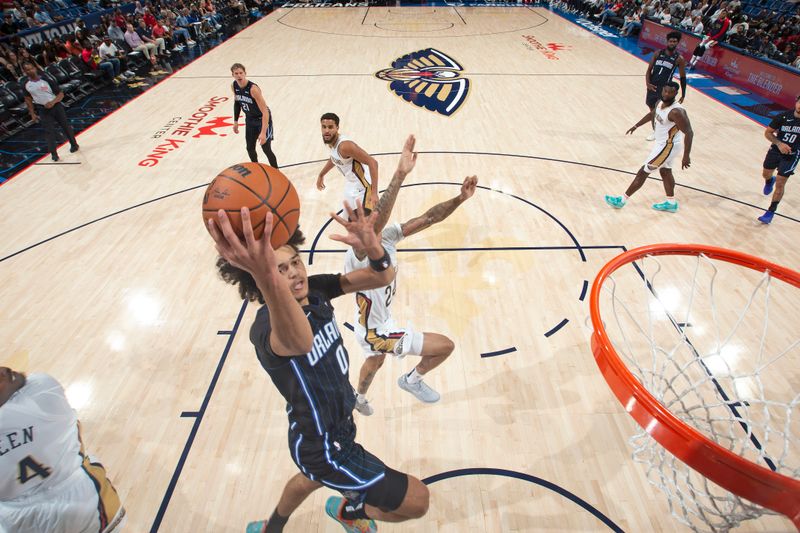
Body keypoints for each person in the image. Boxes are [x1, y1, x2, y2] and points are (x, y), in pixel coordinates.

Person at [208, 144, 429, 533]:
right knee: (416, 501)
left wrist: (373, 247)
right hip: (323, 444)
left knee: (308, 477)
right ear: (258, 277)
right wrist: (265, 275)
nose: (294, 273)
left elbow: (381, 277)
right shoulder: (266, 328)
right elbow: (300, 342)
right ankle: (350, 512)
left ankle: (272, 527)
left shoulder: (316, 289)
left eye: (295, 261)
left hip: (335, 423)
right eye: (280, 269)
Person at [348, 144, 476, 415]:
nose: (372, 217)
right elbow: (379, 220)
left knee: (375, 362)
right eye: (367, 216)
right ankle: (412, 380)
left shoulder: (388, 237)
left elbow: (429, 218)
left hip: (377, 323)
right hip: (376, 331)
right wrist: (400, 174)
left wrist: (459, 199)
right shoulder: (358, 253)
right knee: (445, 346)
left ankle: (357, 397)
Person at [0, 367, 125, 532]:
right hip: (92, 509)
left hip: (21, 522)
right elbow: (24, 381)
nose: (4, 370)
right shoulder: (42, 391)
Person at [605, 81, 693, 212]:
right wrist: (636, 126)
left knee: (643, 171)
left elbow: (689, 133)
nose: (667, 94)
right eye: (665, 91)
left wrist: (686, 156)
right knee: (665, 171)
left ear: (676, 93)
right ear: (663, 90)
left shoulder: (676, 112)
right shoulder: (659, 102)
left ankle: (621, 200)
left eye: (670, 92)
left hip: (668, 146)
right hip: (662, 144)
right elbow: (652, 114)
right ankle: (671, 202)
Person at [317, 113, 379, 218]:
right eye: (324, 127)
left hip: (364, 187)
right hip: (351, 184)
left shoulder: (345, 146)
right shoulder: (331, 142)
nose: (326, 130)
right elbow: (334, 158)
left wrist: (374, 193)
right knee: (347, 220)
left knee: (362, 225)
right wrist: (321, 174)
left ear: (337, 127)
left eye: (330, 127)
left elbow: (373, 163)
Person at [20, 61, 79, 162]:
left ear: (35, 68)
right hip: (42, 109)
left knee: (65, 126)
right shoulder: (25, 84)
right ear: (25, 72)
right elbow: (28, 99)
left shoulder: (46, 79)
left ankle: (74, 144)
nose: (30, 71)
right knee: (49, 131)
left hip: (56, 106)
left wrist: (52, 102)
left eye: (31, 68)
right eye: (27, 70)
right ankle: (54, 153)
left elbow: (60, 94)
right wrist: (32, 114)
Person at [757, 95, 800, 224]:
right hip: (776, 150)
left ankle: (770, 211)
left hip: (792, 155)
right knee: (765, 173)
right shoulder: (783, 116)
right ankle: (769, 180)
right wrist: (779, 144)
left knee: (781, 182)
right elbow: (768, 133)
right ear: (796, 102)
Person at [231, 62, 278, 167]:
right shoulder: (234, 85)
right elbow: (237, 103)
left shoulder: (253, 89)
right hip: (250, 119)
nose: (239, 75)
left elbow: (265, 112)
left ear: (245, 73)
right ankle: (257, 170)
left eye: (241, 73)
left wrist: (263, 132)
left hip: (262, 118)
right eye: (236, 73)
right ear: (232, 75)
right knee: (250, 148)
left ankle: (276, 172)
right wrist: (235, 121)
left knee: (266, 149)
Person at [644, 31, 686, 141]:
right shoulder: (658, 53)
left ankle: (657, 132)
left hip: (664, 89)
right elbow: (649, 70)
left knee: (657, 110)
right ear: (667, 42)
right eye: (671, 41)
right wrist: (647, 83)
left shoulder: (679, 59)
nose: (672, 43)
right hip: (652, 86)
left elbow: (683, 77)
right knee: (651, 107)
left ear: (677, 43)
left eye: (675, 42)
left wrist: (683, 94)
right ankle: (657, 130)